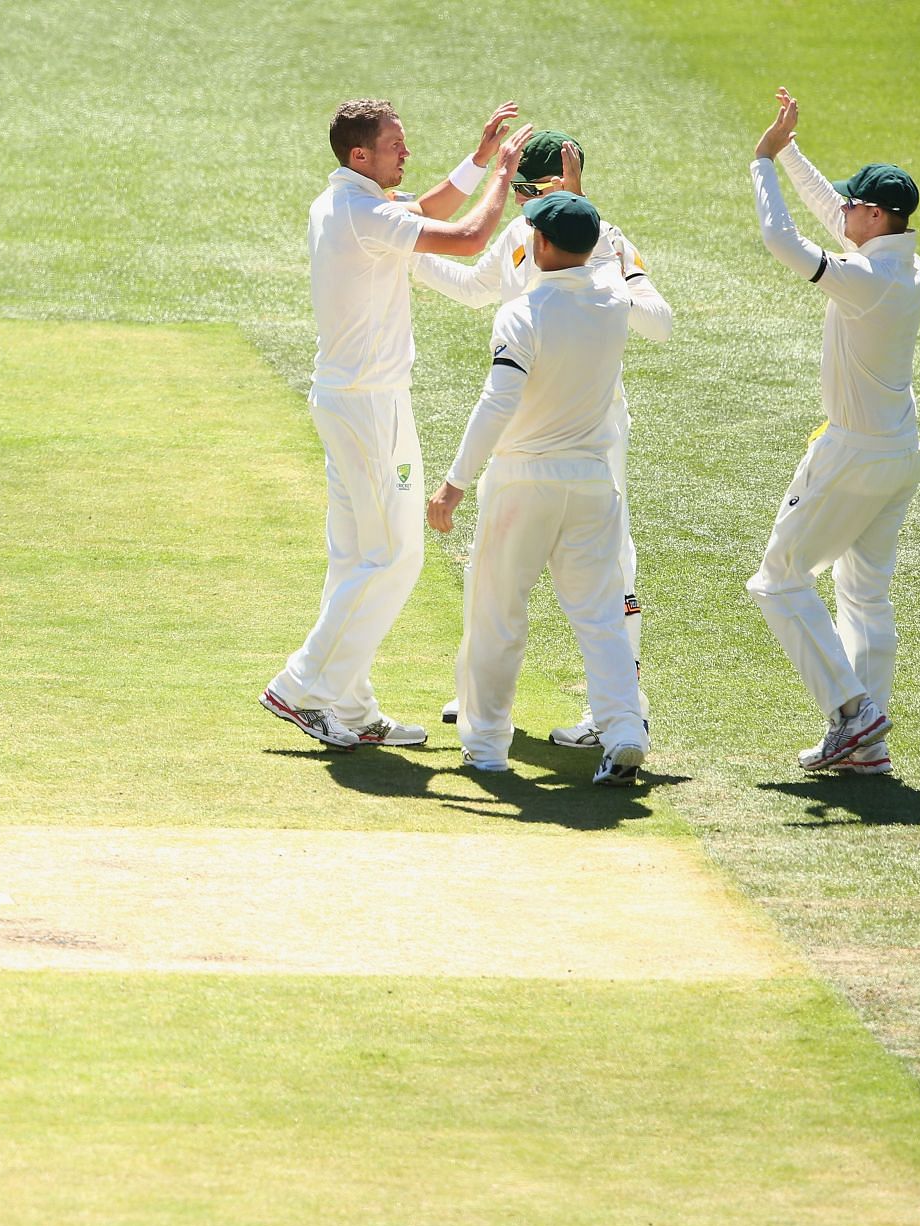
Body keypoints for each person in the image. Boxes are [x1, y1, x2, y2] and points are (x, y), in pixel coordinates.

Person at [262, 98, 534, 750]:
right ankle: (303, 686)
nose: (405, 154)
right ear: (361, 155)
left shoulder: (346, 202)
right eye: (394, 146)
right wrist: (503, 173)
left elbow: (430, 206)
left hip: (351, 400)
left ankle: (349, 707)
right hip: (368, 404)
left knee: (356, 555)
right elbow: (467, 237)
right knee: (396, 554)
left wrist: (476, 156)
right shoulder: (361, 212)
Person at [413, 131, 673, 745]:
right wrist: (405, 253)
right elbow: (478, 289)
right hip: (522, 434)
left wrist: (597, 270)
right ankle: (477, 694)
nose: (522, 206)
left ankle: (618, 710)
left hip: (593, 431)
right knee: (493, 566)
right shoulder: (520, 234)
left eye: (534, 193)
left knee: (612, 570)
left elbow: (657, 325)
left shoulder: (603, 239)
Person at [748, 87, 920, 775]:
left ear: (876, 215)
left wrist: (762, 162)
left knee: (778, 579)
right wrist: (790, 149)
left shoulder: (866, 278)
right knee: (864, 595)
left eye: (855, 203)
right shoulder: (897, 261)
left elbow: (781, 239)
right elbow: (832, 216)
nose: (843, 207)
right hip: (896, 450)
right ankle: (866, 749)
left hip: (853, 452)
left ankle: (853, 712)